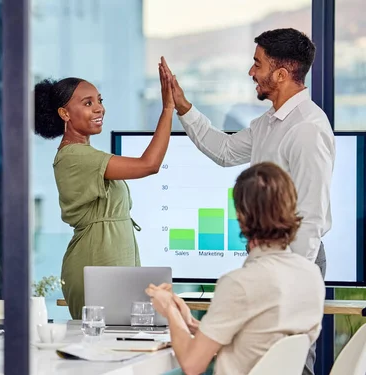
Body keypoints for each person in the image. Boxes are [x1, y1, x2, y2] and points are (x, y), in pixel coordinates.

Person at [164, 29, 333, 374]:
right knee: (255, 357)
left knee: (288, 363)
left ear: (282, 74)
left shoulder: (307, 129)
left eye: (257, 64)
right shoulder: (268, 123)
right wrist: (183, 107)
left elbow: (311, 217)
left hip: (296, 261)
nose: (251, 72)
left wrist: (284, 277)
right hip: (273, 261)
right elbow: (224, 151)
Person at [147, 162, 325, 375]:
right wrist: (190, 324)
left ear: (242, 217)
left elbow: (192, 365)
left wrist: (169, 310)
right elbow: (257, 342)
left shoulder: (240, 283)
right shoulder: (311, 275)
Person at [34, 57, 174, 319]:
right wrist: (167, 109)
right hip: (97, 260)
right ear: (64, 114)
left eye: (100, 100)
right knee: (101, 344)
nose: (99, 108)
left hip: (111, 258)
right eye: (88, 103)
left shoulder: (86, 153)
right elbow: (149, 164)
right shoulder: (75, 156)